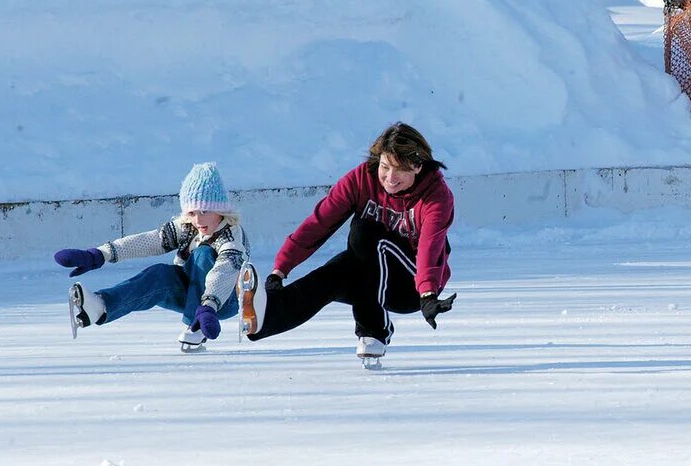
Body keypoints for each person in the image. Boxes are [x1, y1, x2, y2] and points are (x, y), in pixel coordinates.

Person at [239, 122, 456, 366]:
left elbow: (430, 246)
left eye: (399, 170)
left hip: (410, 284)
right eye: (385, 167)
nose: (389, 178)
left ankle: (374, 330)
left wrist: (427, 293)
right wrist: (280, 270)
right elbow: (319, 223)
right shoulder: (362, 178)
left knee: (365, 232)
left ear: (417, 166)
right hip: (371, 276)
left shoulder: (436, 195)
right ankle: (266, 317)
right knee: (334, 274)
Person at [54, 162, 250, 352]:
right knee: (159, 274)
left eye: (204, 211)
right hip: (191, 293)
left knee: (204, 253)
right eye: (192, 212)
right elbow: (149, 241)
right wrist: (99, 254)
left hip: (223, 301)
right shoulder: (187, 227)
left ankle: (197, 326)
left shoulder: (231, 235)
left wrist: (208, 307)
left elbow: (224, 271)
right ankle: (101, 306)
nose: (198, 219)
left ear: (220, 209)